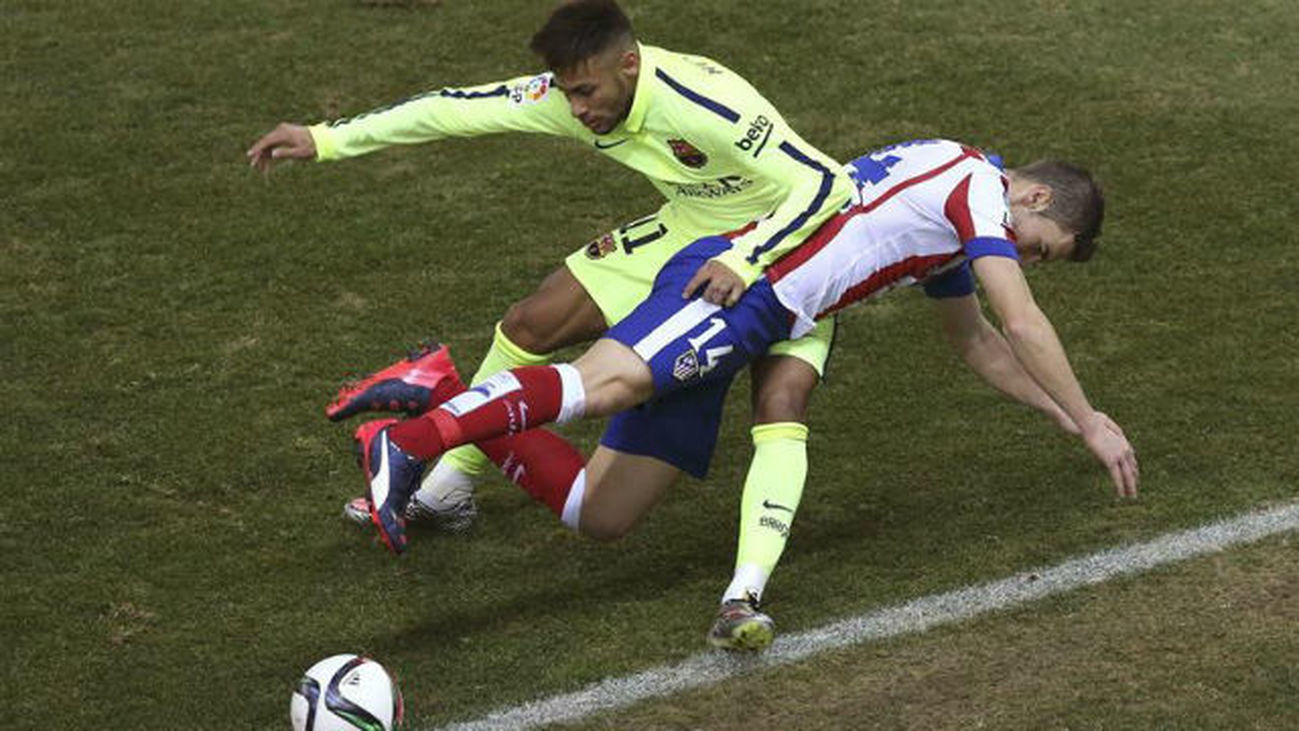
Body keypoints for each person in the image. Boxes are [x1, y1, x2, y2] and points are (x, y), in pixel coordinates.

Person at [348, 138, 1140, 650]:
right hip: (740, 288)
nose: (1024, 261)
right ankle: (413, 443)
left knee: (604, 511)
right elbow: (1021, 319)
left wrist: (1074, 419)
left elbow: (979, 342)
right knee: (604, 380)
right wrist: (1090, 418)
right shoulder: (971, 184)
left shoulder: (949, 220)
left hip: (760, 319)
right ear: (1032, 199)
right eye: (1040, 249)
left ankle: (442, 389)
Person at [246, 0, 854, 648]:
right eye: (567, 93)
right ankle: (453, 479)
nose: (578, 110)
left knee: (778, 398)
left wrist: (746, 255)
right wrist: (328, 139)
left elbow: (827, 183)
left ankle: (743, 588)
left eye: (586, 91)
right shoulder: (580, 93)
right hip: (689, 230)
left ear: (629, 64)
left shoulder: (707, 103)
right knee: (531, 323)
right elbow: (457, 107)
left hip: (783, 245)